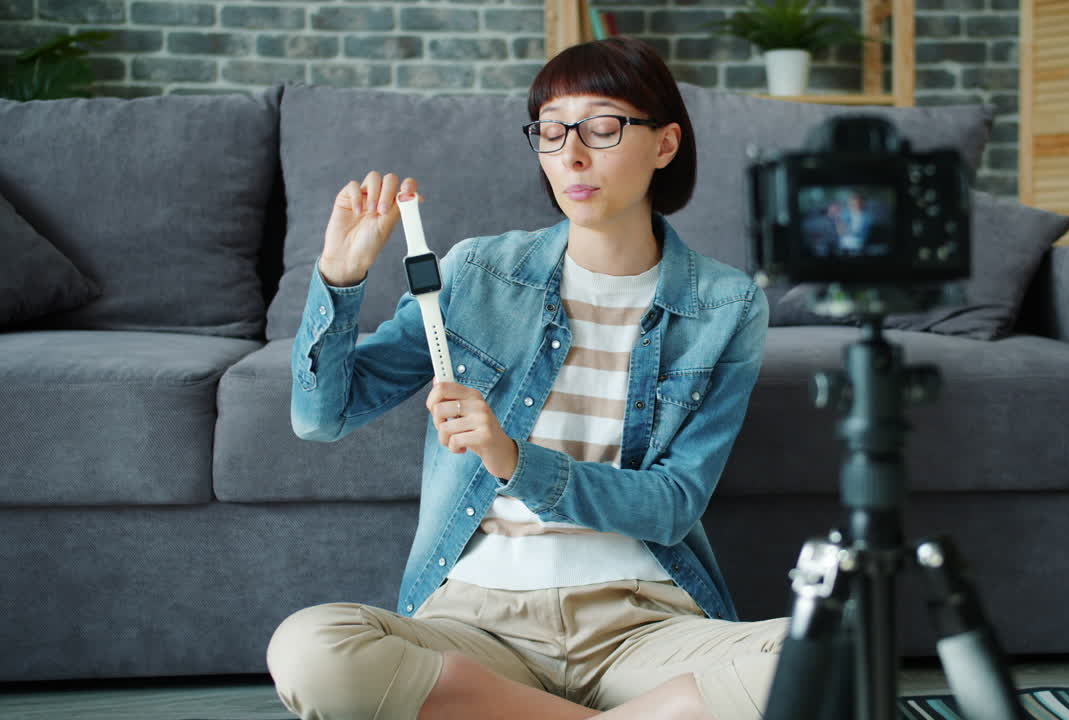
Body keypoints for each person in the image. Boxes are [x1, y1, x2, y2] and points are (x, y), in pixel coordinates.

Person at [266, 36, 785, 720]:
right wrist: (340, 277)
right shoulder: (477, 274)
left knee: (829, 651)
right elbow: (322, 416)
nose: (572, 155)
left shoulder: (725, 306)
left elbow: (672, 505)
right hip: (478, 628)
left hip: (644, 627)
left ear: (664, 144)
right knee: (310, 650)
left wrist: (514, 460)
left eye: (602, 127)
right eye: (551, 130)